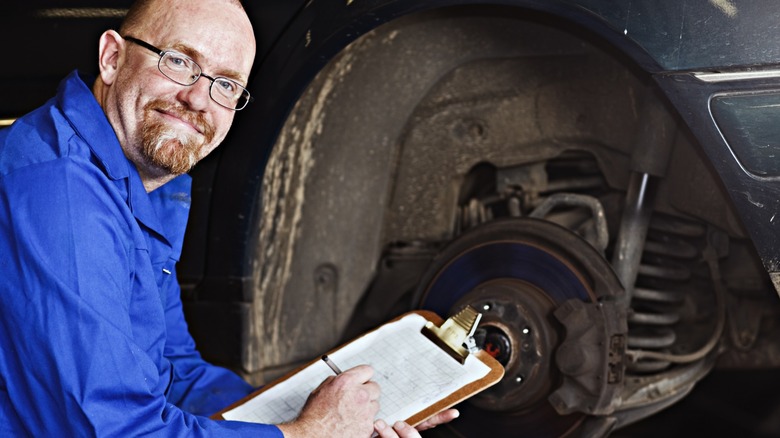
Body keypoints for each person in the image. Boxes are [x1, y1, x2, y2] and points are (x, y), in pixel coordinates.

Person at [0, 0, 457, 436]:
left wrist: (328, 412)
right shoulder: (60, 192)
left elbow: (176, 373)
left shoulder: (148, 182)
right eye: (179, 61)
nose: (199, 99)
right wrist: (308, 434)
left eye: (227, 84)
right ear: (112, 58)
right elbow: (107, 428)